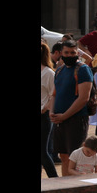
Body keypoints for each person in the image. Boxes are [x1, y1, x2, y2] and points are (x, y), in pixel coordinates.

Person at [51, 40, 94, 176]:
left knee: (75, 159)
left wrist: (64, 115)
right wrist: (52, 112)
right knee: (63, 156)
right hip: (60, 121)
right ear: (61, 53)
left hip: (76, 119)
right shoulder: (59, 70)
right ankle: (66, 188)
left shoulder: (83, 69)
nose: (70, 55)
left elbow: (83, 98)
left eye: (72, 53)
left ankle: (75, 190)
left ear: (77, 53)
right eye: (66, 53)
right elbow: (54, 95)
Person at [41, 42, 58, 178]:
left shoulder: (48, 73)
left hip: (44, 117)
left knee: (43, 152)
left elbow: (54, 94)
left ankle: (54, 179)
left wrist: (45, 108)